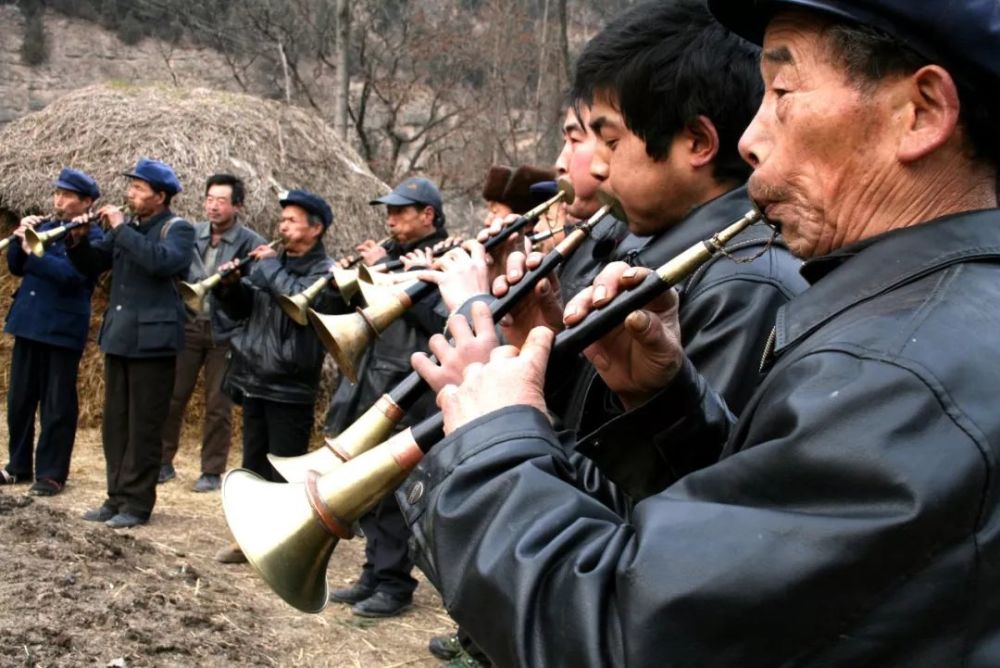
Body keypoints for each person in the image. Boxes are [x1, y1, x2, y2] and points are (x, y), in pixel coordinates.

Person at [400, 0, 1000, 664]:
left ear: (918, 113)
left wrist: (491, 447)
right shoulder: (923, 328)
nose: (751, 139)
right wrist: (668, 408)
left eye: (781, 93)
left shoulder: (898, 373)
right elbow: (762, 568)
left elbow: (629, 637)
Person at [326, 177, 450, 618]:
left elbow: (443, 322)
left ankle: (395, 584)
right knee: (370, 486)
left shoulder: (450, 255)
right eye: (389, 213)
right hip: (373, 382)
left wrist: (402, 277)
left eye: (400, 212)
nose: (390, 221)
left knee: (396, 490)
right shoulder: (393, 255)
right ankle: (373, 573)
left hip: (409, 388)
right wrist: (350, 278)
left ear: (428, 216)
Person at [212, 189, 340, 563]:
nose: (282, 227)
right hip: (254, 376)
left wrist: (267, 268)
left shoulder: (325, 271)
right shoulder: (273, 262)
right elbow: (245, 309)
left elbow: (302, 305)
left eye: (292, 221)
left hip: (291, 384)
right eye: (281, 220)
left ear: (315, 229)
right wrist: (230, 286)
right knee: (253, 464)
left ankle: (283, 544)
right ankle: (248, 540)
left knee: (285, 469)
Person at [66, 158, 194, 529]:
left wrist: (121, 230)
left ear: (161, 196)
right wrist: (77, 241)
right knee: (116, 425)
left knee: (144, 426)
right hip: (121, 336)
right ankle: (115, 497)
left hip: (154, 342)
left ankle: (137, 504)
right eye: (131, 187)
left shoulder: (177, 229)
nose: (130, 194)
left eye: (139, 189)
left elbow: (162, 263)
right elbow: (94, 263)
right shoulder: (130, 228)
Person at [158, 174, 265, 491]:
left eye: (221, 200)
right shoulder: (191, 233)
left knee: (218, 405)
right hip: (189, 324)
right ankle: (162, 462)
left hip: (225, 332)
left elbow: (255, 291)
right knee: (173, 397)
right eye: (209, 199)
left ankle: (211, 470)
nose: (213, 206)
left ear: (237, 206)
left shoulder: (251, 242)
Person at [1, 168, 103, 496]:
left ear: (85, 202)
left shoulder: (93, 236)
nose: (59, 200)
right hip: (29, 323)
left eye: (67, 195)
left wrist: (34, 256)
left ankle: (51, 473)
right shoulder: (45, 225)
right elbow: (17, 267)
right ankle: (17, 466)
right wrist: (21, 238)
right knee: (19, 400)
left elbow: (73, 275)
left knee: (57, 403)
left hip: (61, 327)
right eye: (57, 194)